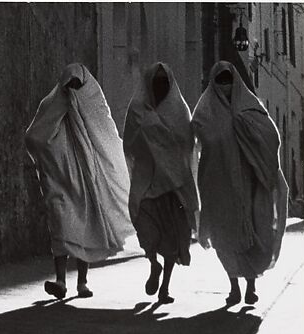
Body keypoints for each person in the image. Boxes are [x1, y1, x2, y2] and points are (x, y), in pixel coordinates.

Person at [25, 63, 134, 299]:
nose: (73, 91)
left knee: (86, 227)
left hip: (87, 179)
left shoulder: (93, 104)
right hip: (60, 178)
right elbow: (34, 136)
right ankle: (61, 280)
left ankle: (82, 282)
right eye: (69, 86)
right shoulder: (51, 105)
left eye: (77, 86)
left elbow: (106, 135)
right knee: (62, 226)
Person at [191, 61, 288, 305]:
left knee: (253, 233)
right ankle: (234, 285)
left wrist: (245, 131)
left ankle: (251, 285)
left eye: (228, 80)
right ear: (214, 82)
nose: (225, 85)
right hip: (219, 185)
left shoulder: (250, 108)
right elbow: (200, 136)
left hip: (250, 183)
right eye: (220, 80)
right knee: (225, 238)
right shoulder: (205, 111)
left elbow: (270, 135)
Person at [123, 62, 199, 304]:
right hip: (146, 181)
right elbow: (129, 143)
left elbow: (186, 145)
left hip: (173, 185)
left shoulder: (179, 109)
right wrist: (148, 134)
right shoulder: (137, 109)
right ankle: (152, 263)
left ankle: (164, 287)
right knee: (144, 226)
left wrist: (164, 144)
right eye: (156, 83)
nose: (160, 87)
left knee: (172, 236)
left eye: (164, 83)